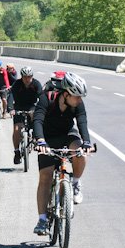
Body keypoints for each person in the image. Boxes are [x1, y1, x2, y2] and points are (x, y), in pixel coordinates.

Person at [32, 72, 91, 236]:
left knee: (80, 153)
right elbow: (37, 120)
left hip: (67, 134)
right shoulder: (47, 98)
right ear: (66, 94)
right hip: (47, 138)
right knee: (45, 177)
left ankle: (76, 183)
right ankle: (42, 219)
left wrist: (86, 142)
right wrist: (40, 141)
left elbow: (82, 121)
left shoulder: (77, 103)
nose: (80, 100)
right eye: (77, 96)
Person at [7, 66, 42, 165]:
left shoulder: (36, 84)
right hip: (18, 107)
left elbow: (42, 97)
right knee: (17, 129)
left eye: (29, 77)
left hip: (31, 106)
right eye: (25, 77)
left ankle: (35, 136)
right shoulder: (17, 84)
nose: (27, 79)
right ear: (21, 77)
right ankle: (17, 151)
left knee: (34, 116)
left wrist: (41, 109)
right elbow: (11, 96)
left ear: (32, 76)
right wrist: (10, 109)